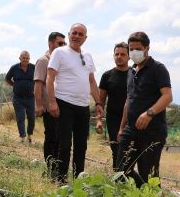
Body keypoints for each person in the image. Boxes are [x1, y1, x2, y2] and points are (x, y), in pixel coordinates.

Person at [46, 23, 103, 184]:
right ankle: (61, 179)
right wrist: (52, 102)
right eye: (74, 33)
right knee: (64, 143)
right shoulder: (59, 52)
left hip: (83, 106)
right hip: (64, 103)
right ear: (69, 34)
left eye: (80, 34)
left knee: (81, 145)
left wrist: (98, 102)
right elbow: (49, 78)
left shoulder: (88, 55)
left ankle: (79, 180)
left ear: (85, 38)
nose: (77, 36)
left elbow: (91, 81)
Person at [117, 31, 173, 187]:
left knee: (148, 173)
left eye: (138, 49)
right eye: (131, 49)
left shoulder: (158, 69)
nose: (134, 52)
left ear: (147, 48)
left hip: (152, 131)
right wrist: (122, 128)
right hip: (131, 129)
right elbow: (128, 101)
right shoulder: (131, 71)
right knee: (121, 170)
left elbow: (167, 96)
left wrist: (149, 113)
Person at [34, 32, 66, 172]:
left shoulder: (61, 60)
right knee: (51, 137)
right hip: (49, 106)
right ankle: (51, 168)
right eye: (60, 43)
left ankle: (58, 167)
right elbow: (38, 85)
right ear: (50, 43)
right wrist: (39, 105)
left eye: (64, 44)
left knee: (60, 138)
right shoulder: (43, 60)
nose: (62, 46)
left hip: (62, 105)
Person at [97, 42, 130, 170]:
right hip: (113, 120)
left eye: (123, 54)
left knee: (129, 152)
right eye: (117, 54)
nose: (119, 57)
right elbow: (101, 101)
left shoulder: (134, 74)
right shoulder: (107, 76)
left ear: (129, 56)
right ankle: (117, 180)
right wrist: (99, 120)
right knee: (116, 150)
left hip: (131, 120)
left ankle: (128, 180)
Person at [5, 51, 35, 143]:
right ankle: (22, 137)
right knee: (20, 117)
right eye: (23, 58)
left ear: (29, 59)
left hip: (30, 97)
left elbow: (39, 79)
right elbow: (7, 78)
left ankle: (29, 135)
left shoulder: (34, 67)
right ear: (20, 58)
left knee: (32, 118)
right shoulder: (14, 68)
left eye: (27, 58)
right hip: (18, 98)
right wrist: (15, 85)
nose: (25, 59)